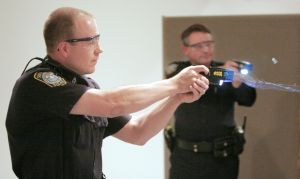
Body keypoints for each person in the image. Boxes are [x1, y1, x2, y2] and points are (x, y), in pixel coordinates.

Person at [5, 8, 209, 179]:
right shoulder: (38, 83)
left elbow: (139, 132)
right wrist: (174, 83)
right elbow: (114, 103)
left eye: (98, 40)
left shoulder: (85, 87)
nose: (99, 49)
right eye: (90, 41)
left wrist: (177, 97)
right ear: (64, 48)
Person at [165, 24, 256, 179]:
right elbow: (191, 79)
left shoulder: (228, 72)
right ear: (185, 49)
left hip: (223, 159)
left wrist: (236, 82)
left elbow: (248, 99)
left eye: (209, 44)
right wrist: (222, 73)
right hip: (185, 158)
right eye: (198, 46)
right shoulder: (178, 71)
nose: (206, 50)